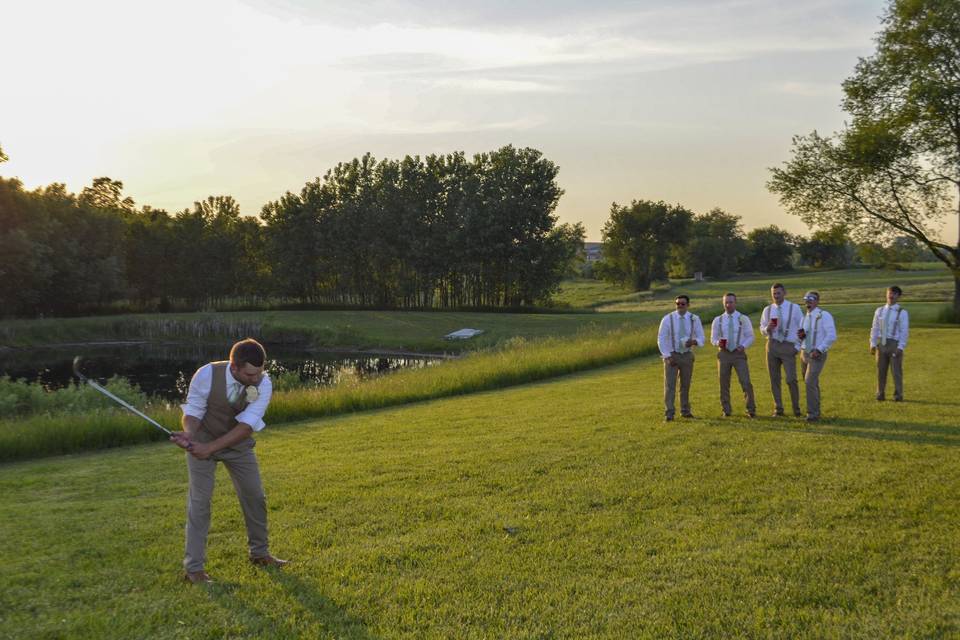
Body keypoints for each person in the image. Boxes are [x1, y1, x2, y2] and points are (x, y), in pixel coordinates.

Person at [170, 338, 288, 584]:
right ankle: (194, 570)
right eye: (250, 374)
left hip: (237, 445)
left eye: (260, 373)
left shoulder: (264, 383)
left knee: (255, 496)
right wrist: (190, 436)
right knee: (200, 503)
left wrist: (210, 448)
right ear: (234, 368)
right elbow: (193, 411)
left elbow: (246, 426)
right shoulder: (206, 374)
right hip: (201, 439)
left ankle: (259, 554)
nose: (256, 379)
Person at [657, 294, 706, 421]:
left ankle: (685, 411)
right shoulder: (668, 319)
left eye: (682, 304)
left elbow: (701, 337)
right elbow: (661, 339)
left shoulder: (695, 319)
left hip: (687, 355)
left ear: (688, 305)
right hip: (672, 354)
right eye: (677, 303)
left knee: (685, 385)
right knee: (670, 386)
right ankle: (669, 414)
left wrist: (694, 342)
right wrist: (667, 356)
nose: (679, 306)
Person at [759, 283, 803, 417]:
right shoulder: (767, 310)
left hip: (788, 345)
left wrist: (797, 347)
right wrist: (768, 329)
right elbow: (761, 329)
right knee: (774, 379)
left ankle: (796, 409)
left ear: (785, 293)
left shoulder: (794, 308)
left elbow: (803, 329)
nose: (776, 296)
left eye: (778, 293)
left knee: (791, 379)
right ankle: (778, 409)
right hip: (772, 345)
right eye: (774, 294)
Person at [710, 293, 756, 418]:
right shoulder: (717, 320)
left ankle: (751, 409)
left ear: (735, 303)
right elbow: (713, 338)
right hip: (723, 354)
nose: (728, 305)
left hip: (738, 353)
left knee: (745, 381)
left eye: (731, 302)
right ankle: (726, 410)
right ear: (723, 303)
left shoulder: (743, 318)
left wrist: (743, 346)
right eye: (726, 302)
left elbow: (751, 336)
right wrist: (717, 343)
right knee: (723, 383)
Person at [798, 291, 837, 422]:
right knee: (811, 382)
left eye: (811, 299)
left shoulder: (824, 315)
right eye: (806, 299)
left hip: (816, 354)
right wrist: (801, 338)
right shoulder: (804, 318)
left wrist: (819, 350)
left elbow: (831, 335)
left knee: (809, 382)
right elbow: (802, 336)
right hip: (804, 353)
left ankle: (812, 414)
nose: (808, 302)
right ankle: (816, 410)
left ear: (817, 301)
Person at [870, 285, 909, 401]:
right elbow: (875, 328)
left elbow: (904, 331)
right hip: (881, 343)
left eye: (894, 294)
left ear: (898, 296)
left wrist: (901, 347)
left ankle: (898, 395)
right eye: (889, 293)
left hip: (894, 344)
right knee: (880, 370)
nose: (891, 296)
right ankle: (880, 393)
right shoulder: (880, 310)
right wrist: (872, 343)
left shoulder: (902, 312)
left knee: (896, 371)